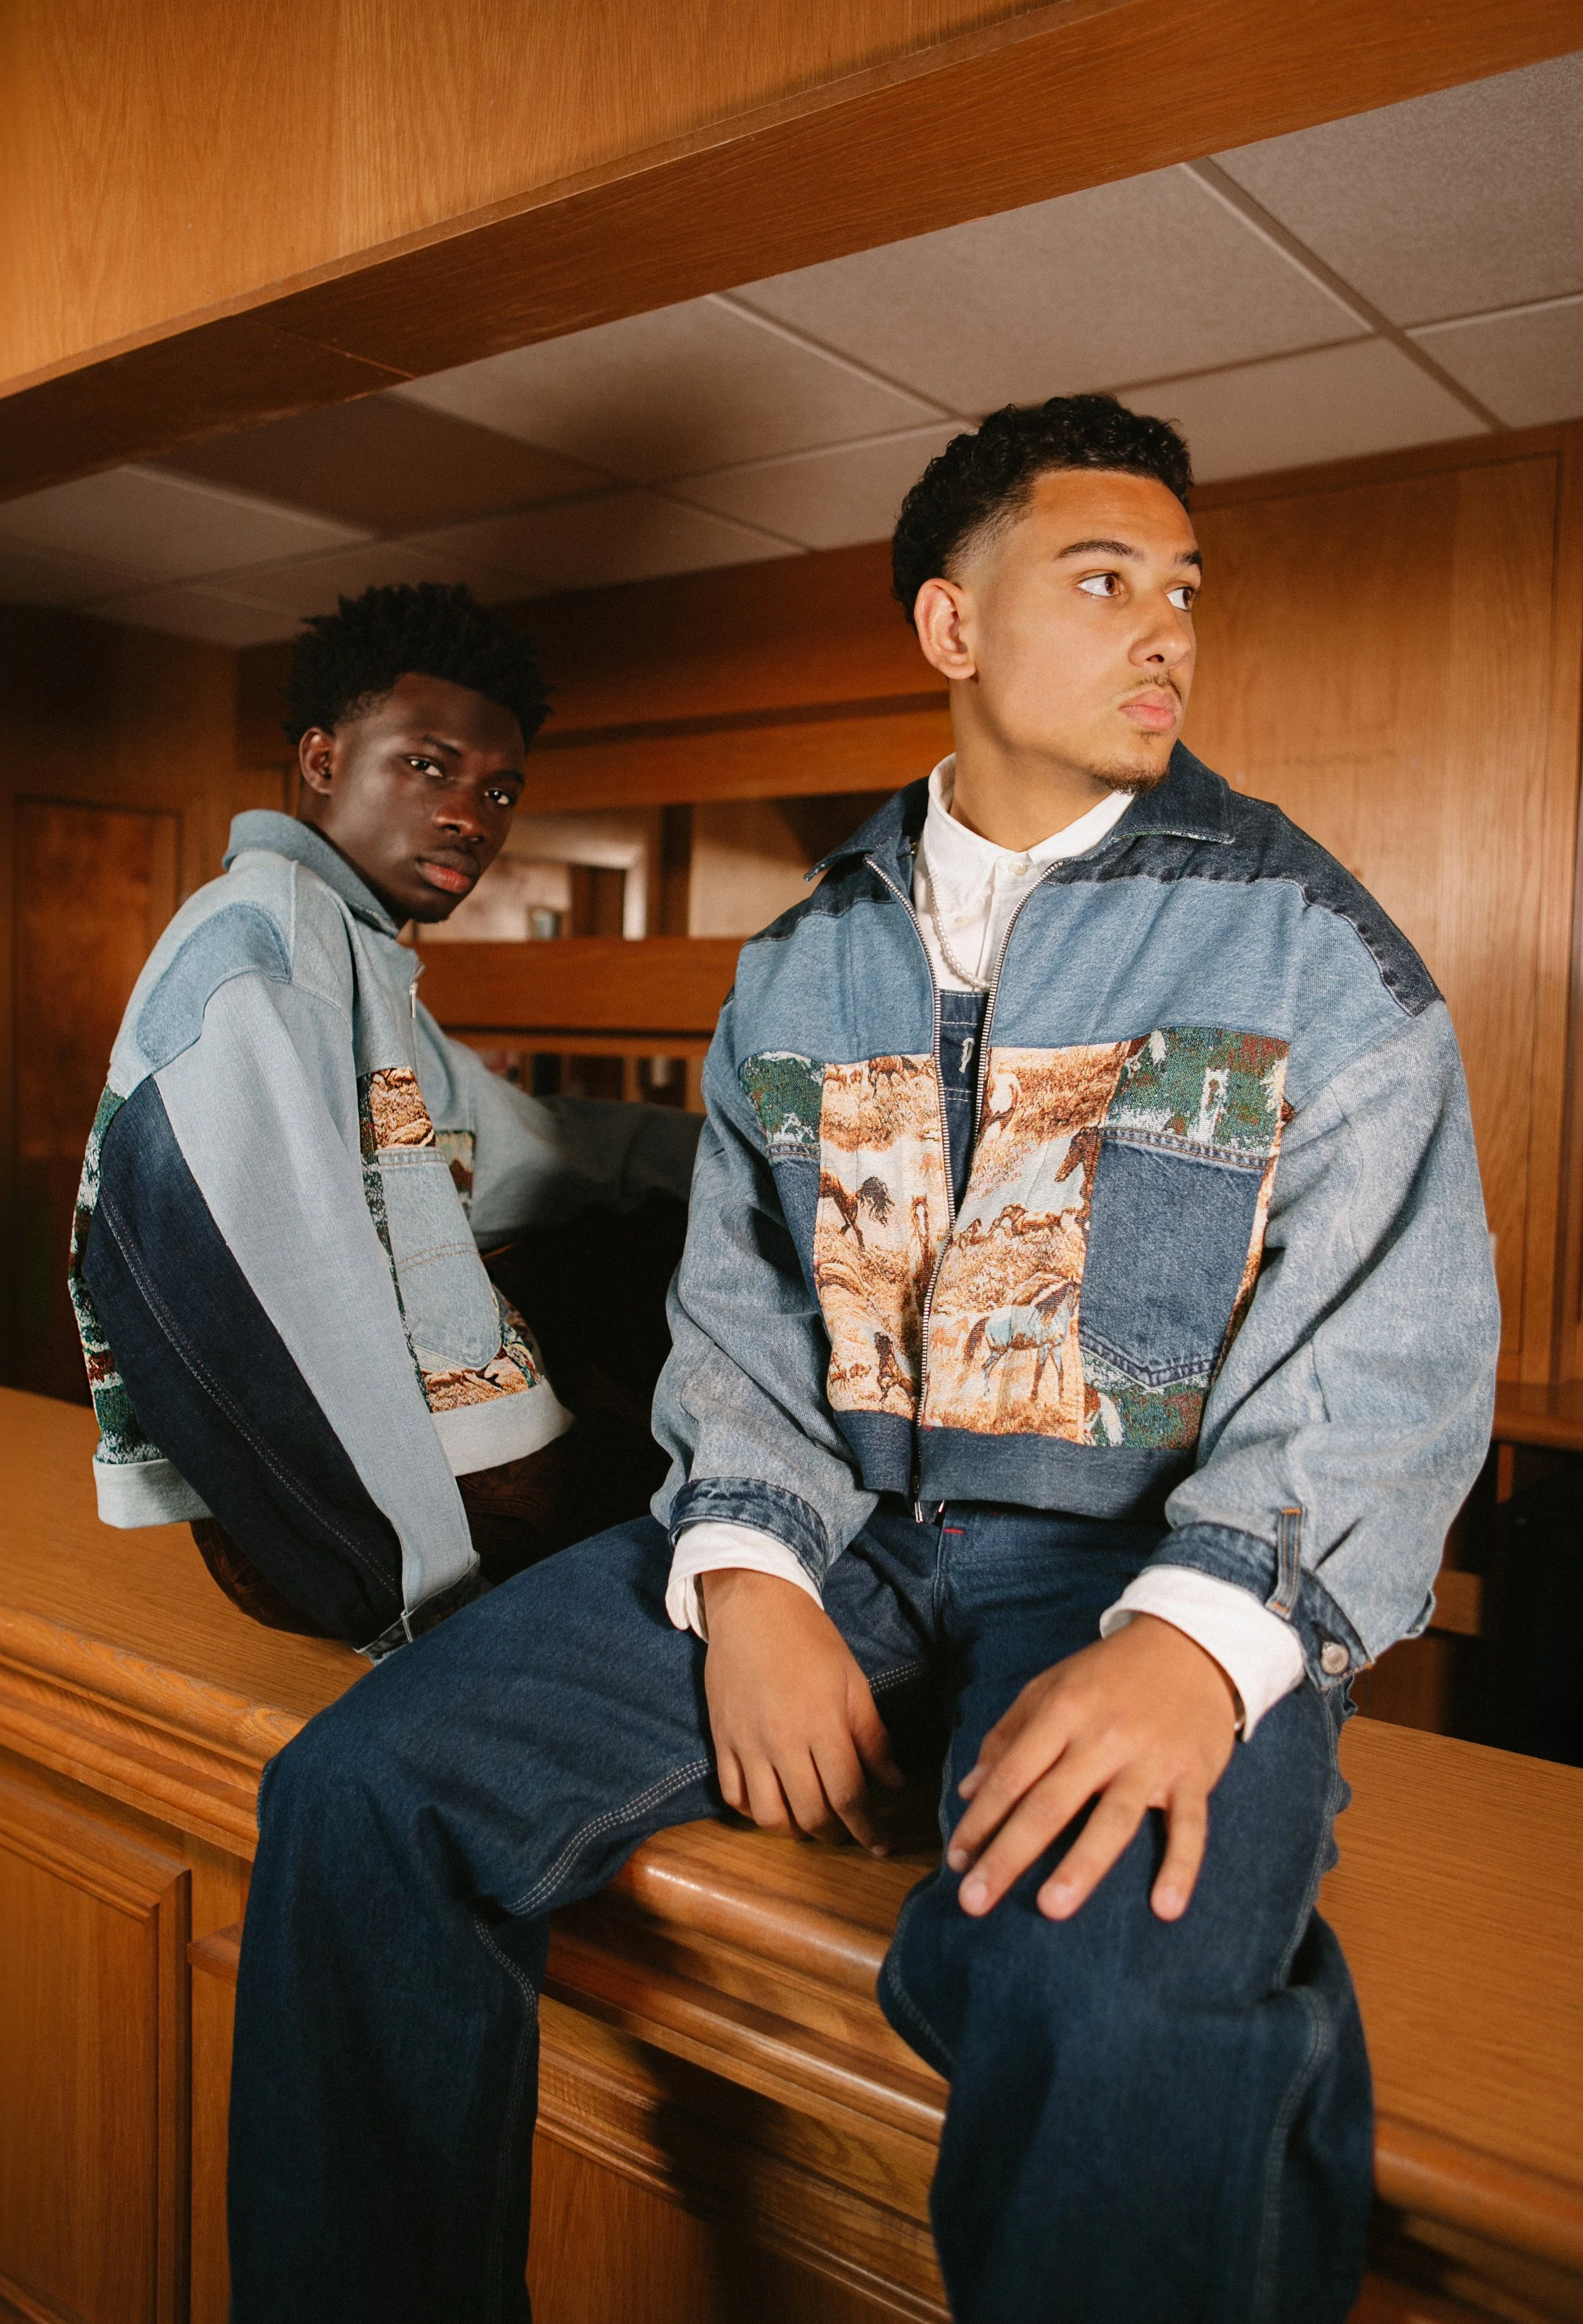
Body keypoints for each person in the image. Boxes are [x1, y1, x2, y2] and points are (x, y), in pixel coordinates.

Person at [227, 399, 1498, 2321]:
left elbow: (1390, 1356)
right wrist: (742, 1569)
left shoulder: (1314, 948)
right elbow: (738, 1309)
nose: (1165, 629)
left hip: (1132, 1574)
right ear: (950, 628)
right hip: (829, 1532)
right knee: (352, 1799)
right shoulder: (802, 960)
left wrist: (1198, 1644)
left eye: (1182, 590)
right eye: (1101, 581)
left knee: (1117, 1981)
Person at [70, 582, 700, 1649]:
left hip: (442, 1483)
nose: (470, 814)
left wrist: (759, 1146)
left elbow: (524, 1148)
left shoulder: (357, 954)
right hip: (363, 1529)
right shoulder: (257, 944)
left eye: (501, 792)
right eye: (427, 764)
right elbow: (253, 1295)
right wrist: (411, 1590)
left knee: (663, 1245)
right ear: (323, 762)